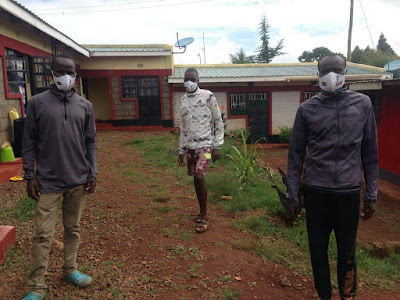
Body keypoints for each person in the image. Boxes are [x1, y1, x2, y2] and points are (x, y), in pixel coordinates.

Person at [286, 54, 378, 300]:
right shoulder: (307, 109)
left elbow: (370, 153)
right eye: (325, 71)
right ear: (318, 75)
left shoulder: (363, 105)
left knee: (347, 250)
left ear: (345, 72)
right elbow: (295, 155)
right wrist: (292, 194)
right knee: (318, 250)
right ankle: (324, 295)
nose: (330, 75)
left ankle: (347, 295)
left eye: (335, 70)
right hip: (316, 191)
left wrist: (371, 193)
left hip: (348, 191)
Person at [22, 53, 97, 300]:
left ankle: (70, 269)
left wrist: (92, 171)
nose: (66, 76)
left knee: (72, 228)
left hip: (77, 178)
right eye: (61, 71)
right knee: (43, 234)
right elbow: (29, 141)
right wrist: (29, 175)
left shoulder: (85, 105)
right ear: (51, 73)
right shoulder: (36, 103)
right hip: (48, 181)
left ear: (76, 75)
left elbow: (90, 142)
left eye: (71, 72)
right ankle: (37, 287)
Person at [178, 68, 224, 233]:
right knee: (195, 179)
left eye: (192, 79)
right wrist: (181, 150)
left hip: (205, 146)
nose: (189, 82)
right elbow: (183, 128)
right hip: (190, 147)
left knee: (200, 175)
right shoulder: (183, 100)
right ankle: (200, 210)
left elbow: (218, 121)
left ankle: (204, 216)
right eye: (186, 79)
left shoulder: (207, 96)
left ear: (198, 80)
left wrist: (217, 145)